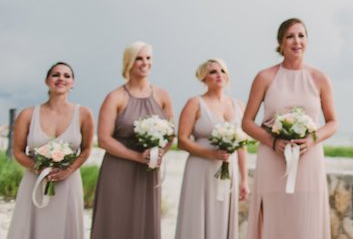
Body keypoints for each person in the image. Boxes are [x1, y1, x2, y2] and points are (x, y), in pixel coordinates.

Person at [242, 18, 338, 239]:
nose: (297, 41)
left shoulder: (319, 78)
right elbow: (246, 122)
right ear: (281, 43)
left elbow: (333, 122)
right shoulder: (265, 77)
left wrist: (313, 139)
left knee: (306, 220)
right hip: (272, 159)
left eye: (301, 35)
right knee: (276, 219)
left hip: (308, 161)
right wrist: (273, 142)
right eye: (290, 36)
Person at [91, 41, 175, 239]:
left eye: (148, 58)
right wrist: (138, 156)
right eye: (139, 58)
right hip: (119, 168)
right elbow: (104, 139)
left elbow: (171, 134)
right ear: (129, 62)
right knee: (116, 219)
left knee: (144, 220)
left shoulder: (163, 95)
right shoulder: (115, 97)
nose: (145, 63)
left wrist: (159, 153)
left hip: (148, 169)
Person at [8, 62, 94, 239]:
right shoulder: (28, 114)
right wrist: (39, 169)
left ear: (73, 83)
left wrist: (68, 170)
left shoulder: (84, 114)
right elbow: (18, 152)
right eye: (56, 75)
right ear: (46, 80)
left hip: (69, 183)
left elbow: (86, 150)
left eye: (66, 75)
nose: (61, 78)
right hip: (35, 181)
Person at [175, 58, 250, 239]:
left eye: (222, 71)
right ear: (203, 78)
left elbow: (242, 147)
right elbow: (182, 140)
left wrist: (244, 179)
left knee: (222, 216)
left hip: (227, 171)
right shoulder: (195, 103)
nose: (219, 75)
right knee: (197, 217)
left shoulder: (239, 106)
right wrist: (210, 154)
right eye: (213, 72)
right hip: (199, 170)